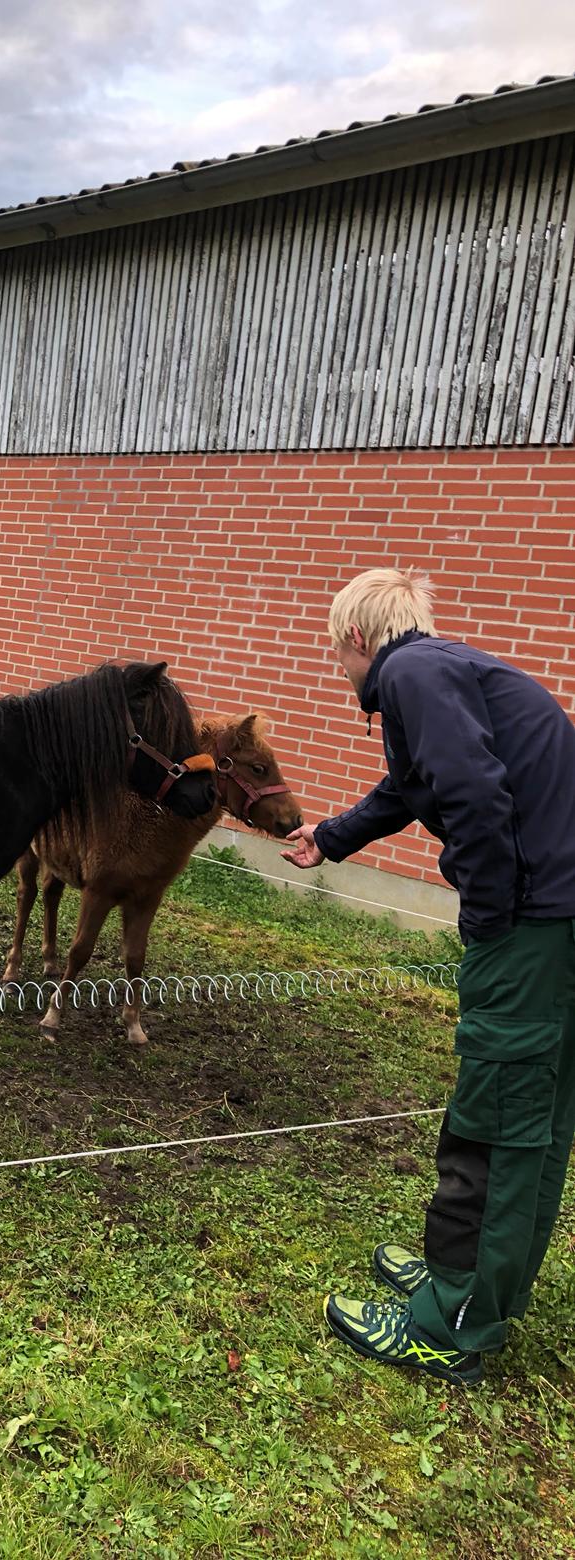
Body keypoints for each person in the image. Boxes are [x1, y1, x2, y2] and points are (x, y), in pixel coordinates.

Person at [283, 567, 575, 1385]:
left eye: (335, 655)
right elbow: (411, 789)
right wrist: (332, 838)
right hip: (559, 919)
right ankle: (483, 1291)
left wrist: (488, 921)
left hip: (530, 927)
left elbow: (475, 796)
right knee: (539, 1119)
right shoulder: (450, 671)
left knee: (495, 1118)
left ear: (356, 639)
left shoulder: (409, 673)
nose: (341, 673)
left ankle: (448, 1324)